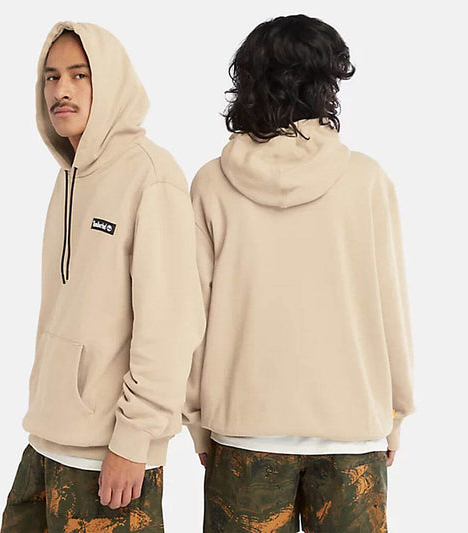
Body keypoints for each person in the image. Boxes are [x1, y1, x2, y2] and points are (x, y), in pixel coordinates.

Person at [182, 14, 416, 532]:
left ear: (248, 81)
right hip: (352, 431)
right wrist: (394, 413)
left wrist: (195, 417)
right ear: (326, 84)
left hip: (244, 432)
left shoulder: (211, 184)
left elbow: (190, 315)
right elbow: (390, 306)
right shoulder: (366, 180)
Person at [0, 21, 205, 532]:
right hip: (45, 440)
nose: (61, 90)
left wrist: (134, 440)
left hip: (110, 458)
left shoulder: (151, 175)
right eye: (51, 77)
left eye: (79, 75)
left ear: (109, 82)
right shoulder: (68, 177)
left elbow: (171, 324)